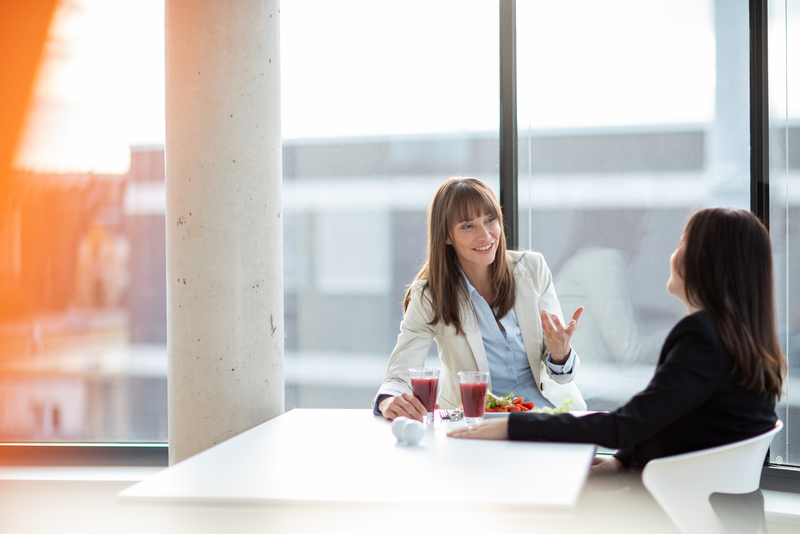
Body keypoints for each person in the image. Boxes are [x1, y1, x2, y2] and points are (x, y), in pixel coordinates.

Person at [450, 208, 785, 479]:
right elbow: (673, 417)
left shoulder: (702, 337)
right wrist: (623, 461)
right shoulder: (738, 338)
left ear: (707, 262)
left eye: (683, 242)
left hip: (677, 503)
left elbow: (626, 425)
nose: (673, 252)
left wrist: (511, 424)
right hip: (707, 501)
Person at [374, 176, 586, 421]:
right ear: (446, 236)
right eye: (468, 226)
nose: (485, 236)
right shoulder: (429, 295)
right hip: (477, 424)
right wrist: (389, 400)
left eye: (490, 220)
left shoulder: (532, 268)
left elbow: (562, 375)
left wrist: (561, 354)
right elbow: (400, 373)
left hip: (549, 415)